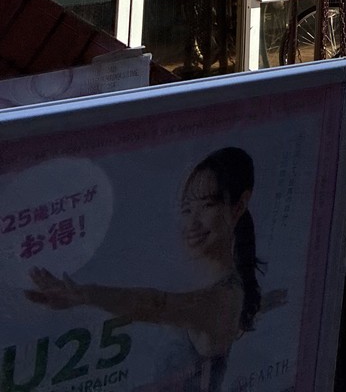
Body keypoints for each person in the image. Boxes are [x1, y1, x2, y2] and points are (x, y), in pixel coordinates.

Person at [25, 147, 282, 392]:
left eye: (206, 205)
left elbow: (156, 304)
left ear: (237, 207)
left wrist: (86, 295)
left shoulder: (223, 297)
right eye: (187, 209)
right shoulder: (204, 281)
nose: (192, 222)